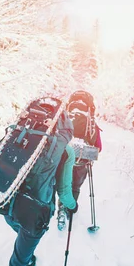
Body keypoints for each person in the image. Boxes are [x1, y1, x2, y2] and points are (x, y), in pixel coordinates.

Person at [0, 104, 78, 266]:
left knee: (20, 234)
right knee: (19, 258)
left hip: (7, 203)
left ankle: (27, 258)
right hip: (36, 213)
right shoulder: (65, 150)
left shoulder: (20, 135)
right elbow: (64, 192)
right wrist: (73, 206)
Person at [57, 91, 102, 229]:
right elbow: (98, 147)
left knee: (61, 183)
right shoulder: (92, 124)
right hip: (81, 161)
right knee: (74, 186)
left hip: (63, 157)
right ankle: (68, 209)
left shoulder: (64, 118)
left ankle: (57, 208)